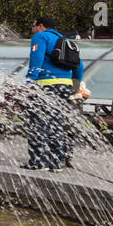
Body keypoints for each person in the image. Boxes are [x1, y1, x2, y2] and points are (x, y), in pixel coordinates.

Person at [23, 15, 84, 171]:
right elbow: (79, 66)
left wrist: (30, 79)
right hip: (64, 85)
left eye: (33, 25)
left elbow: (36, 57)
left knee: (38, 123)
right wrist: (75, 84)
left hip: (45, 85)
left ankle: (38, 162)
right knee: (55, 122)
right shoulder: (66, 41)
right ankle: (56, 162)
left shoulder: (40, 37)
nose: (33, 28)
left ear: (41, 26)